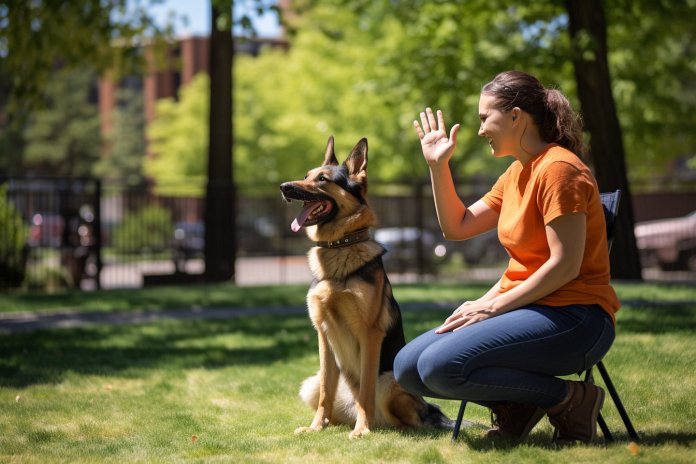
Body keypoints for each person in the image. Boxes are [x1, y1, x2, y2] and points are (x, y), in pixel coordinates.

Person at [393, 70, 620, 445]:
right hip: (525, 309)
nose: (480, 129)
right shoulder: (515, 173)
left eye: (485, 118)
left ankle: (570, 399)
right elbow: (459, 226)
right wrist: (438, 167)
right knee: (408, 369)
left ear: (516, 116)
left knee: (439, 367)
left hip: (577, 318)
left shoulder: (559, 169)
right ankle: (519, 405)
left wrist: (491, 308)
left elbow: (565, 265)